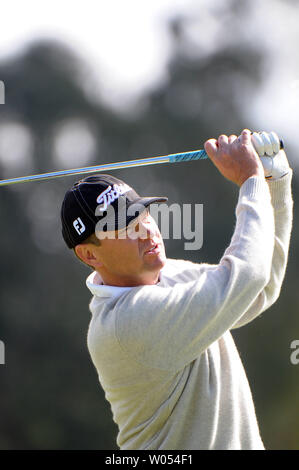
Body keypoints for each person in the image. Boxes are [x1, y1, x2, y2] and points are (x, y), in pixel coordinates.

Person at [60, 129, 293, 450]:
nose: (146, 231)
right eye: (126, 226)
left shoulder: (169, 274)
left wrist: (274, 183)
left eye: (142, 213)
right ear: (89, 254)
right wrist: (251, 180)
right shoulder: (125, 324)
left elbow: (257, 288)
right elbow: (245, 277)